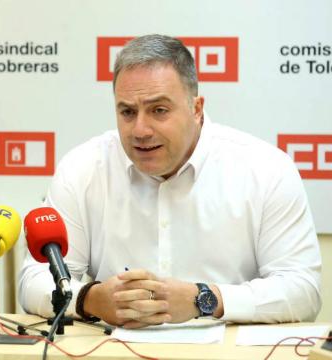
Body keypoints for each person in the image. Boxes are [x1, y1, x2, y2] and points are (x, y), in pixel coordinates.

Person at [19, 34, 321, 328]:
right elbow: (34, 281)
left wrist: (204, 299)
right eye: (127, 111)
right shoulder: (83, 168)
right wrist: (90, 299)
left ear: (197, 109)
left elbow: (303, 290)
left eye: (158, 110)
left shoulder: (265, 169)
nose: (140, 129)